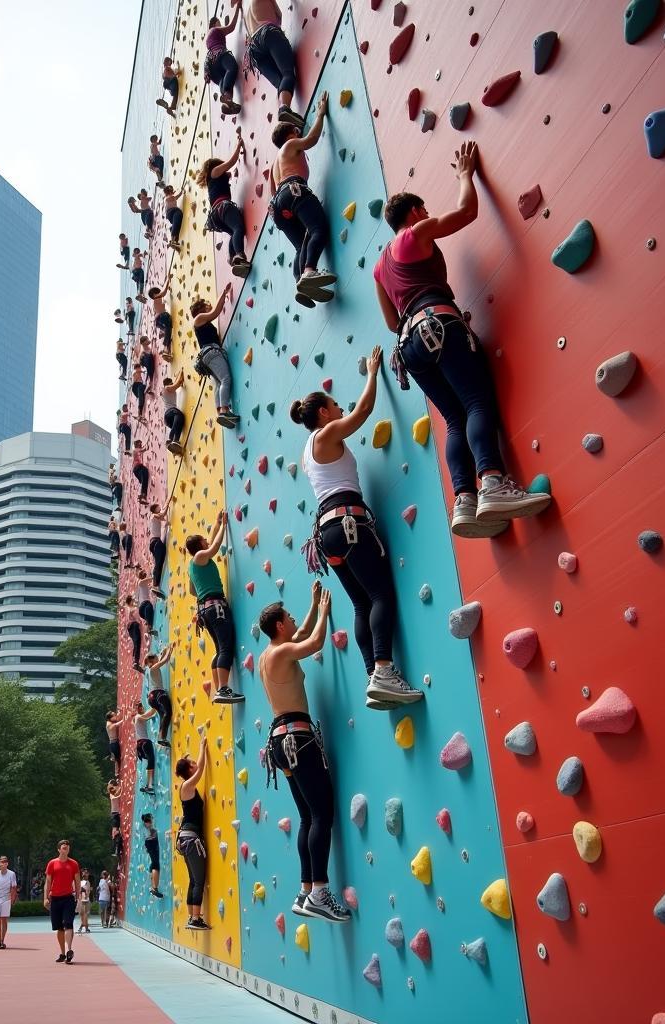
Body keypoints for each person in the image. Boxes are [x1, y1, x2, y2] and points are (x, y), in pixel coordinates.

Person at [374, 141, 552, 537]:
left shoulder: (379, 269)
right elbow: (467, 212)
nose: (427, 215)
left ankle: (465, 501)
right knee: (475, 401)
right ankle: (492, 481)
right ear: (415, 211)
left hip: (408, 345)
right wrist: (464, 176)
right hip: (438, 323)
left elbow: (390, 322)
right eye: (423, 210)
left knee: (454, 418)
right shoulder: (414, 234)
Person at [290, 349, 423, 709]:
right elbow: (363, 412)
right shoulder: (325, 435)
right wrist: (372, 372)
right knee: (380, 594)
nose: (340, 409)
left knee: (362, 602)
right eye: (334, 405)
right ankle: (383, 669)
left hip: (329, 533)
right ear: (323, 413)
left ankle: (373, 677)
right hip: (347, 523)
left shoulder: (307, 451)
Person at [258, 585, 352, 922]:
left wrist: (312, 605)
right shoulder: (281, 654)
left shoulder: (271, 655)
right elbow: (312, 643)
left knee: (308, 817)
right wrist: (325, 611)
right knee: (322, 815)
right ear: (279, 625)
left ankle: (305, 889)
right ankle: (319, 892)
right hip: (297, 740)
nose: (294, 619)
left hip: (281, 743)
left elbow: (299, 634)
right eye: (289, 616)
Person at [270, 92, 336, 306]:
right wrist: (321, 115)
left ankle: (300, 283)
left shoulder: (274, 165)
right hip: (294, 189)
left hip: (278, 206)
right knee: (318, 229)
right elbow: (312, 139)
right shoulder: (289, 146)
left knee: (301, 245)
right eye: (295, 130)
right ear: (290, 134)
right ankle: (309, 272)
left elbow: (274, 192)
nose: (298, 132)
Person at [187, 510, 242, 703]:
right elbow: (215, 546)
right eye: (203, 540)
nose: (206, 541)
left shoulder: (193, 565)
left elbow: (193, 591)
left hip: (205, 608)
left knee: (220, 649)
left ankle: (220, 688)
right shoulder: (201, 556)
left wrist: (217, 522)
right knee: (226, 648)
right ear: (198, 546)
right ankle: (223, 689)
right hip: (216, 606)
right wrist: (225, 526)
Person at [197, 130, 250, 277]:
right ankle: (239, 254)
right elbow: (231, 163)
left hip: (216, 216)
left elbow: (228, 174)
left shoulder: (212, 181)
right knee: (238, 227)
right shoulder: (213, 171)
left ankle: (232, 257)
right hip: (223, 207)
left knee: (235, 232)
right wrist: (238, 145)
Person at [242, 0, 302, 127]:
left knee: (280, 82)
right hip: (269, 33)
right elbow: (279, 16)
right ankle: (284, 108)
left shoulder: (247, 13)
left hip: (253, 49)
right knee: (287, 73)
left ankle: (285, 119)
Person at [176, 737, 211, 930]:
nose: (194, 764)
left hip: (186, 838)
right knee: (199, 880)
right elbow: (201, 768)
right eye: (191, 764)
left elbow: (195, 767)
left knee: (193, 879)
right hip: (191, 838)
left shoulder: (187, 787)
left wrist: (188, 757)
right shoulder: (187, 786)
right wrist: (202, 747)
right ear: (189, 770)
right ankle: (196, 919)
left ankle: (192, 917)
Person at [192, 283, 239, 426]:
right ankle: (225, 410)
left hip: (207, 356)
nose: (208, 306)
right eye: (206, 305)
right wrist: (224, 293)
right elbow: (216, 311)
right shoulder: (198, 319)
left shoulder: (203, 324)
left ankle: (220, 412)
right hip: (211, 352)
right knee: (226, 378)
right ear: (199, 309)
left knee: (219, 383)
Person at [43, 840, 81, 964]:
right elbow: (48, 882)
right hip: (55, 898)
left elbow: (77, 881)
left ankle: (70, 950)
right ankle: (63, 952)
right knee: (59, 928)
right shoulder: (52, 863)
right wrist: (45, 898)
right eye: (64, 848)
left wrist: (79, 897)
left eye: (67, 848)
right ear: (59, 849)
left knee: (68, 923)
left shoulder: (73, 864)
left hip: (68, 898)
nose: (66, 850)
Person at [204, 7, 242, 115]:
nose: (220, 25)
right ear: (214, 24)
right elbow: (231, 27)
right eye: (219, 23)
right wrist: (238, 9)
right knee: (231, 68)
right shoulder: (214, 30)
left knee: (222, 80)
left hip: (210, 65)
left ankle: (228, 102)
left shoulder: (207, 40)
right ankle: (227, 98)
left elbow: (207, 59)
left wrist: (206, 72)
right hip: (220, 53)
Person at [145, 644, 174, 747]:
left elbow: (160, 660)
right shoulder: (153, 667)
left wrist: (163, 652)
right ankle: (162, 737)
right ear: (152, 661)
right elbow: (164, 660)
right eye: (156, 657)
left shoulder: (150, 669)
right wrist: (170, 650)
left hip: (152, 697)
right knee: (168, 713)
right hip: (158, 694)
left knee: (163, 715)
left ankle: (162, 738)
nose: (158, 658)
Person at [0, 855, 18, 950]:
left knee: (4, 919)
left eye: (5, 862)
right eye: (1, 862)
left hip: (6, 898)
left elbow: (13, 887)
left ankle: (2, 940)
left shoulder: (11, 874)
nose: (3, 863)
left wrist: (13, 898)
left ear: (7, 864)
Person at [133, 700, 158, 794]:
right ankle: (149, 785)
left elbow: (148, 717)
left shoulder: (136, 718)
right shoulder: (139, 716)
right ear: (140, 708)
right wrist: (156, 706)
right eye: (142, 707)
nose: (143, 709)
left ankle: (146, 784)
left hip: (139, 744)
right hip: (144, 742)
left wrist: (151, 716)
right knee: (151, 760)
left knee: (146, 762)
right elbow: (149, 713)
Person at [148, 503, 170, 597]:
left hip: (155, 543)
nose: (159, 507)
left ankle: (156, 584)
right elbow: (162, 515)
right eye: (158, 507)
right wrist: (168, 502)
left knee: (160, 563)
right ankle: (155, 585)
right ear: (154, 509)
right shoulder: (153, 515)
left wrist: (167, 504)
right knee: (158, 563)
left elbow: (163, 517)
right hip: (155, 542)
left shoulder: (155, 517)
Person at [141, 814, 164, 898]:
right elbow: (154, 835)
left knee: (153, 863)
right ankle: (154, 888)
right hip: (152, 844)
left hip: (149, 844)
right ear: (148, 821)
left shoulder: (145, 829)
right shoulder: (150, 830)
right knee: (156, 864)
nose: (152, 821)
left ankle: (153, 886)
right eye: (151, 819)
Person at [162, 376, 186, 456]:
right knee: (179, 414)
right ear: (168, 384)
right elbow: (177, 383)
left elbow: (177, 381)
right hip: (170, 412)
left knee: (180, 423)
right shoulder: (166, 388)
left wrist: (179, 374)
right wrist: (181, 372)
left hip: (170, 419)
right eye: (171, 383)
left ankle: (175, 442)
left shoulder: (168, 390)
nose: (172, 384)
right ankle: (171, 437)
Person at [149, 275, 173, 355]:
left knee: (168, 329)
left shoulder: (156, 302)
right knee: (168, 326)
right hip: (161, 316)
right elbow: (164, 292)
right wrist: (168, 280)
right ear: (154, 294)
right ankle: (165, 347)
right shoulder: (156, 297)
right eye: (157, 292)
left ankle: (163, 333)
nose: (159, 293)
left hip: (158, 321)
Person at [124, 596, 144, 670]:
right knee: (137, 642)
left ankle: (135, 661)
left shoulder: (127, 608)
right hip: (134, 625)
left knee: (136, 643)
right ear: (130, 601)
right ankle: (136, 661)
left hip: (130, 627)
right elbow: (136, 617)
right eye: (132, 600)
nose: (134, 601)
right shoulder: (131, 608)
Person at [163, 185, 183, 251]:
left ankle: (174, 241)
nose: (172, 191)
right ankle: (172, 240)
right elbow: (173, 197)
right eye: (171, 190)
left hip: (169, 215)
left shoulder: (170, 197)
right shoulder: (168, 197)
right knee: (178, 217)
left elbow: (176, 197)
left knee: (177, 224)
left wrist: (181, 192)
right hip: (172, 211)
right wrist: (175, 193)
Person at [136, 570, 155, 634]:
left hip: (142, 610)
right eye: (144, 573)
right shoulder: (141, 582)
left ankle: (148, 623)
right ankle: (148, 626)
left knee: (150, 614)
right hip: (145, 605)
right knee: (149, 607)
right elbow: (150, 579)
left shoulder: (142, 585)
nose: (145, 573)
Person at [105, 709, 124, 775]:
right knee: (117, 759)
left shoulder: (111, 721)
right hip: (113, 744)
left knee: (118, 758)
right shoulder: (108, 724)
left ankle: (117, 772)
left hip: (115, 742)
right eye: (114, 716)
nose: (115, 716)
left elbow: (117, 719)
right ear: (110, 718)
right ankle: (116, 773)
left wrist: (121, 712)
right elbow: (116, 725)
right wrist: (123, 720)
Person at [107, 779, 123, 849]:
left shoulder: (113, 792)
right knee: (115, 828)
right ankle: (115, 844)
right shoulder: (112, 793)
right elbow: (117, 794)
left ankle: (117, 843)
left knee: (116, 828)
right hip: (115, 813)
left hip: (116, 813)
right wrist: (121, 786)